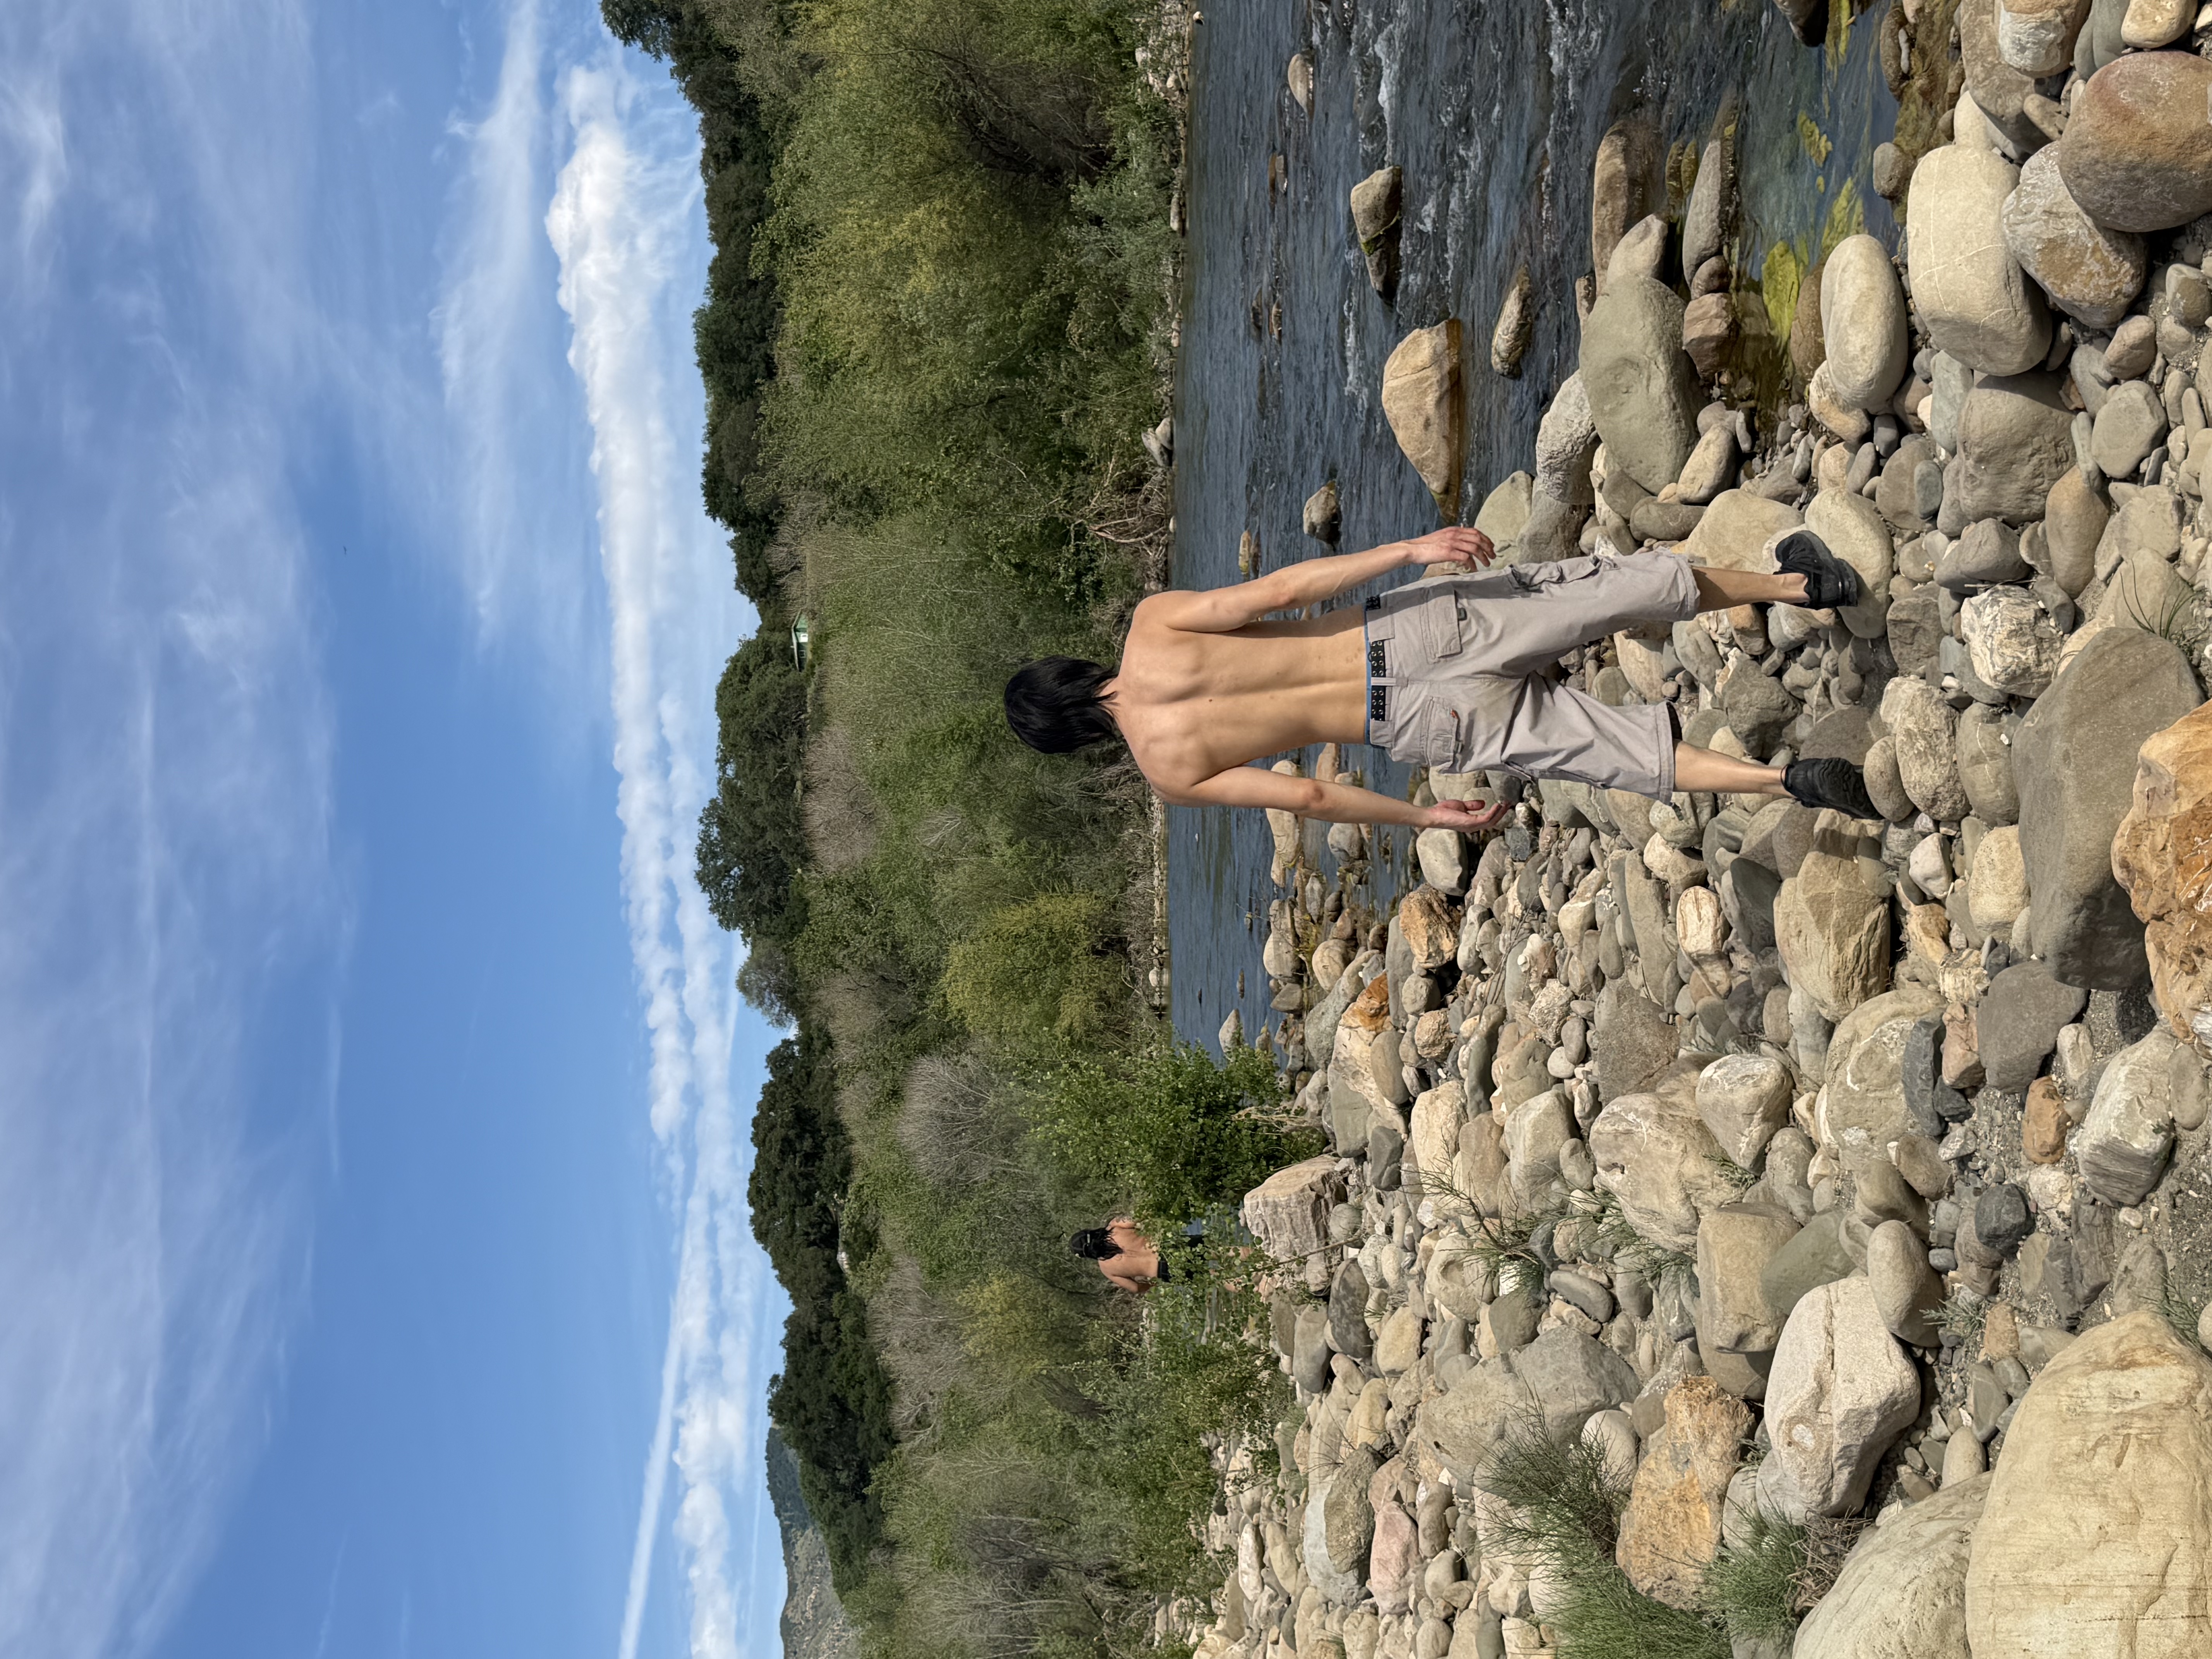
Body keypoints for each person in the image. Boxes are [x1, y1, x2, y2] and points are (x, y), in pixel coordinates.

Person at [1003, 527, 1877, 828]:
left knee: (1601, 752)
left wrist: (1424, 812)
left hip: (1425, 727)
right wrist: (1413, 550)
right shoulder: (1154, 628)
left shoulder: (1169, 774)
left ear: (1071, 741)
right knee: (1606, 594)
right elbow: (1282, 589)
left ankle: (1783, 780)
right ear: (1069, 674)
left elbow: (1306, 802)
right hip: (1409, 635)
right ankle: (1802, 583)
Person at [1070, 1216, 1183, 1293]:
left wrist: (1152, 1285)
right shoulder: (1114, 1227)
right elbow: (1140, 1215)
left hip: (1163, 1271)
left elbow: (1135, 1288)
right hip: (1168, 1246)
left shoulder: (1107, 1270)